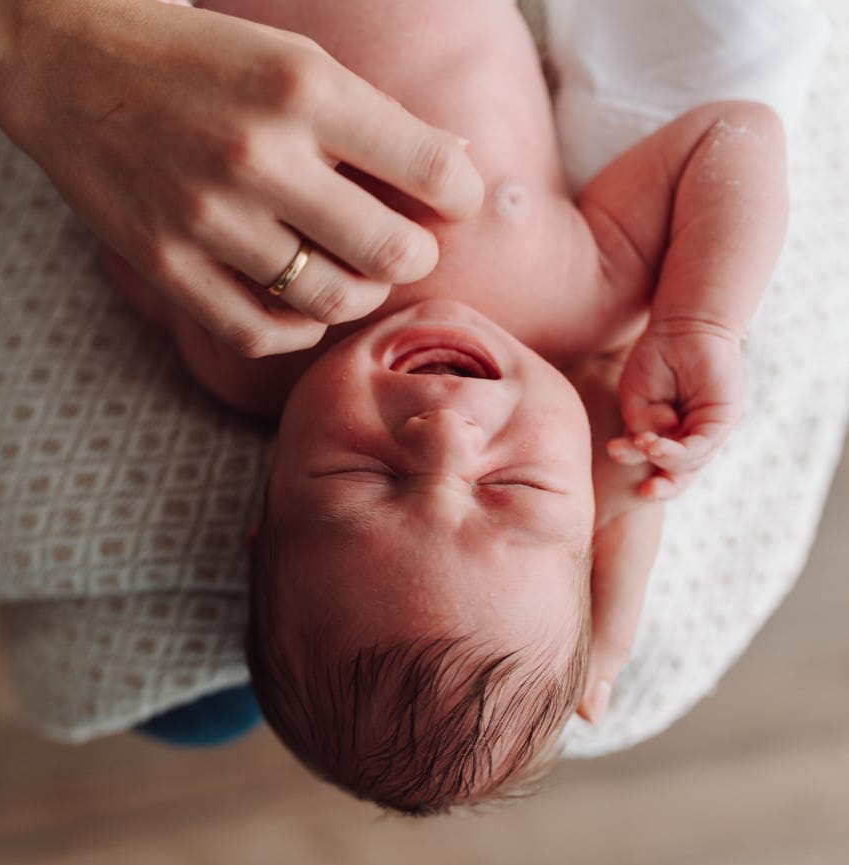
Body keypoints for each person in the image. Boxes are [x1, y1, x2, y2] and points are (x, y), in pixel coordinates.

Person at [101, 0, 788, 814]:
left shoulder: (244, 352)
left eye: (365, 476)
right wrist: (699, 322)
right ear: (592, 514)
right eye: (514, 487)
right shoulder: (577, 300)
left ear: (269, 501)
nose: (445, 437)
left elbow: (131, 242)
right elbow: (733, 136)